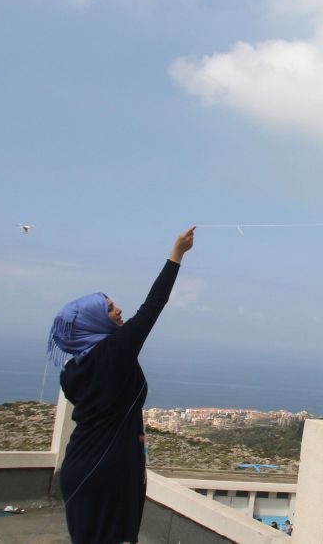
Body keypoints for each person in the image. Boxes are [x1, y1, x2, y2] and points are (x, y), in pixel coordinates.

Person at [50, 227, 195, 544]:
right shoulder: (114, 352)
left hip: (83, 466)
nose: (118, 311)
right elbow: (154, 303)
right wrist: (177, 254)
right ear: (91, 322)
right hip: (106, 470)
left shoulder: (74, 367)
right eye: (110, 309)